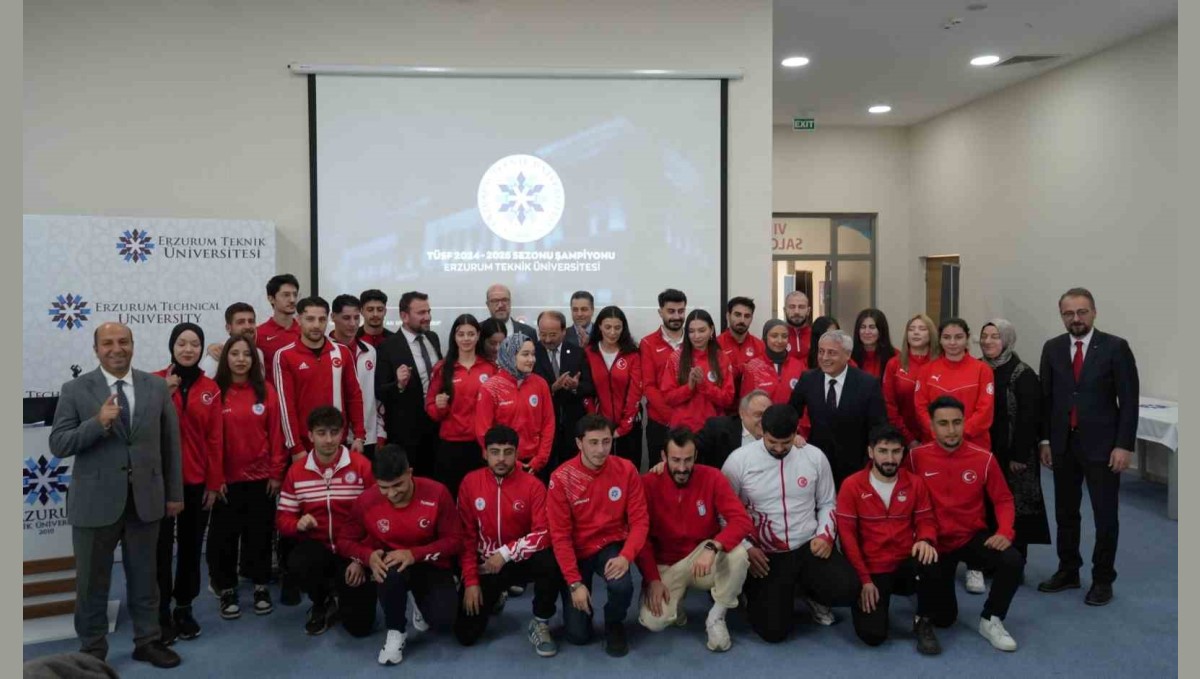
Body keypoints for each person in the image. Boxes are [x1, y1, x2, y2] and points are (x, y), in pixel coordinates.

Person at [49, 322, 183, 668]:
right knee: (92, 583)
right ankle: (92, 651)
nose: (116, 348)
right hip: (94, 504)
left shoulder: (155, 387)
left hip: (146, 500)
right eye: (107, 343)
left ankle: (148, 641)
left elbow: (170, 445)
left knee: (145, 578)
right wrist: (98, 422)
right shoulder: (75, 389)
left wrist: (174, 493)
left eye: (123, 341)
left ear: (133, 345)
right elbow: (59, 443)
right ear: (96, 350)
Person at [721, 404, 860, 642]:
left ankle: (809, 593)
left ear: (796, 432)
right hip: (764, 553)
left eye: (785, 442)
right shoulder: (738, 461)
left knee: (848, 588)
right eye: (772, 441)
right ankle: (752, 590)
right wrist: (746, 548)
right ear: (762, 432)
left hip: (807, 544)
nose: (778, 448)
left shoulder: (814, 456)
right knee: (773, 633)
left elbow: (828, 502)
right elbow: (724, 513)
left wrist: (825, 535)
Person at [1037, 288, 1139, 606]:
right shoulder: (1052, 348)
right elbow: (1047, 399)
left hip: (1103, 448)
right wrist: (1045, 440)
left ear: (1094, 312)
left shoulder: (1115, 347)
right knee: (1066, 513)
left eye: (1082, 312)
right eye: (1069, 313)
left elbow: (1130, 400)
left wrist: (1123, 445)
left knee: (1105, 516)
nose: (1076, 319)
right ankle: (1069, 570)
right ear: (1061, 316)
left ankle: (1102, 579)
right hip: (1064, 445)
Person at [908, 396, 1024, 652]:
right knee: (945, 619)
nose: (951, 430)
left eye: (957, 422)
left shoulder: (983, 458)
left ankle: (991, 619)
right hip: (935, 541)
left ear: (964, 423)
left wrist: (1005, 531)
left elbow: (1003, 499)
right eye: (944, 423)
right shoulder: (916, 458)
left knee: (1012, 560)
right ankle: (925, 613)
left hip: (970, 537)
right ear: (932, 426)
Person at [339, 444, 462, 666]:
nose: (392, 493)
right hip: (391, 564)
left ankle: (417, 599)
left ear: (410, 473)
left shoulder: (437, 493)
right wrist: (366, 556)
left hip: (428, 563)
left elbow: (454, 541)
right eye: (384, 488)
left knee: (444, 622)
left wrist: (414, 554)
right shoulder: (366, 501)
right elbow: (344, 541)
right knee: (388, 570)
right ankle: (396, 631)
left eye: (398, 485)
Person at [636, 428, 752, 652]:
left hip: (702, 557)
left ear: (696, 456)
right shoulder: (647, 484)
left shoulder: (713, 477)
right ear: (663, 457)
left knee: (738, 555)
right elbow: (641, 538)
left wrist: (713, 546)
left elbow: (741, 520)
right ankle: (676, 606)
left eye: (688, 460)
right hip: (666, 564)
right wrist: (652, 579)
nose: (682, 467)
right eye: (675, 460)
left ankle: (716, 617)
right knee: (653, 622)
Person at [455, 426, 563, 656]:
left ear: (517, 453)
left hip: (519, 560)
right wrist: (471, 581)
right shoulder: (470, 483)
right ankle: (495, 595)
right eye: (495, 452)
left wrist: (505, 554)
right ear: (485, 453)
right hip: (486, 564)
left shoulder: (533, 485)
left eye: (508, 452)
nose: (501, 459)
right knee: (466, 635)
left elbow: (544, 533)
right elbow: (466, 537)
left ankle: (540, 621)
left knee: (550, 560)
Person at [547, 415, 650, 657]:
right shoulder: (562, 478)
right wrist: (574, 583)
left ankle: (614, 622)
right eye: (593, 442)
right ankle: (578, 608)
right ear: (579, 443)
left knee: (623, 584)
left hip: (609, 546)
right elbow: (560, 537)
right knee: (578, 636)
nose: (601, 449)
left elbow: (640, 521)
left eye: (606, 441)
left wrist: (626, 556)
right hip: (576, 550)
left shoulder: (626, 470)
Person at [836, 425, 941, 654]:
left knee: (930, 558)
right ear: (871, 452)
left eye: (896, 452)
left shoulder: (915, 483)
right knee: (872, 636)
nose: (890, 458)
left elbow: (926, 520)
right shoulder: (851, 486)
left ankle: (923, 621)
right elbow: (847, 539)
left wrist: (925, 539)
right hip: (872, 569)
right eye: (883, 451)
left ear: (903, 453)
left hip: (904, 562)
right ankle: (872, 599)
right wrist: (864, 580)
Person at [276, 406, 378, 637]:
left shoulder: (361, 466)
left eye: (334, 432)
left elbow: (379, 518)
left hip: (352, 552)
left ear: (343, 433)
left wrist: (361, 559)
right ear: (310, 436)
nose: (329, 439)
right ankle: (321, 600)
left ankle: (344, 592)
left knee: (360, 628)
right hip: (318, 549)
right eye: (321, 433)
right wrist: (297, 524)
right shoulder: (296, 472)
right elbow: (283, 518)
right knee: (299, 560)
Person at [152, 323, 224, 644]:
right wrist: (161, 397)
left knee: (192, 547)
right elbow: (141, 429)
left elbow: (215, 439)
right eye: (182, 343)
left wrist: (213, 483)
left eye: (195, 344)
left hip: (196, 481)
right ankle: (160, 613)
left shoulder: (211, 388)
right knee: (160, 549)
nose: (188, 349)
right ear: (172, 346)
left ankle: (184, 607)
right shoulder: (153, 382)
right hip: (160, 483)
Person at [207, 335, 286, 620]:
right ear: (225, 358)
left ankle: (260, 585)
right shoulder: (215, 391)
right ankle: (227, 587)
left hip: (261, 480)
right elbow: (210, 441)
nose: (241, 359)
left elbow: (277, 435)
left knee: (260, 535)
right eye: (235, 353)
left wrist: (277, 473)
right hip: (226, 482)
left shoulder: (265, 391)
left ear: (254, 360)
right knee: (224, 538)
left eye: (247, 354)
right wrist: (215, 480)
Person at [980, 320, 1050, 576]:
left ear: (1007, 339)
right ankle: (988, 560)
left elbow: (1030, 417)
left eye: (995, 336)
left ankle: (1014, 565)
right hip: (985, 452)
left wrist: (1019, 455)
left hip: (1014, 456)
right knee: (987, 507)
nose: (988, 341)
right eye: (984, 336)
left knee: (1015, 508)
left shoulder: (1023, 373)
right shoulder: (977, 367)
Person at [788, 330, 888, 487]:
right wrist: (793, 435)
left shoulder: (867, 384)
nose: (825, 358)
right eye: (821, 351)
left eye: (832, 353)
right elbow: (791, 413)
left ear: (847, 355)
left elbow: (878, 426)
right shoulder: (808, 379)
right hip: (817, 463)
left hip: (856, 467)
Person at [273, 296, 366, 458]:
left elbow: (354, 396)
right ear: (298, 319)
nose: (316, 325)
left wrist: (359, 436)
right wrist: (295, 447)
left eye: (322, 319)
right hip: (303, 447)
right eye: (310, 319)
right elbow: (285, 407)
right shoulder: (284, 355)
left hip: (339, 443)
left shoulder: (342, 352)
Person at [425, 314, 496, 497]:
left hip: (481, 445)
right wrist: (440, 406)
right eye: (461, 334)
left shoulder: (491, 368)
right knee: (450, 497)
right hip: (451, 446)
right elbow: (431, 410)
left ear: (478, 336)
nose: (466, 339)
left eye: (471, 334)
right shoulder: (443, 369)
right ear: (454, 337)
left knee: (480, 497)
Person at [375, 291, 443, 478]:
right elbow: (379, 391)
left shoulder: (433, 338)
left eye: (428, 311)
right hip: (407, 435)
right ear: (404, 316)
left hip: (437, 428)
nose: (427, 317)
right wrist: (399, 384)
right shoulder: (388, 346)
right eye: (421, 313)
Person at [475, 333, 555, 475]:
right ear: (510, 355)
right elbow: (483, 432)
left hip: (536, 464)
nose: (531, 359)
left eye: (533, 354)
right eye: (525, 354)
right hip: (501, 463)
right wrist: (511, 462)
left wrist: (540, 459)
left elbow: (548, 423)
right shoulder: (490, 388)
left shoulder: (540, 383)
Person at [914, 318, 995, 449]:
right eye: (946, 337)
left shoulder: (983, 370)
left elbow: (985, 411)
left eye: (958, 337)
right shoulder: (926, 370)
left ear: (967, 338)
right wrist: (939, 433)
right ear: (940, 340)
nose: (952, 342)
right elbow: (920, 408)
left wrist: (958, 434)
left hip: (973, 445)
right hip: (934, 444)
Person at [534, 310, 596, 474]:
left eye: (553, 334)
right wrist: (552, 388)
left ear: (563, 331)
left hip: (571, 425)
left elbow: (590, 386)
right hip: (542, 428)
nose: (547, 339)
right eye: (543, 334)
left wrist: (575, 386)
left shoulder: (577, 352)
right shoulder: (532, 353)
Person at [584, 306, 644, 468]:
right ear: (599, 327)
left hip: (629, 427)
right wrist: (595, 423)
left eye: (617, 327)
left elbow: (635, 393)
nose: (612, 332)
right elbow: (586, 391)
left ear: (623, 329)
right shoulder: (589, 353)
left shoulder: (632, 354)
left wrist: (624, 427)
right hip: (598, 428)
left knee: (628, 471)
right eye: (608, 327)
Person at [660, 309, 735, 433]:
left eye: (701, 330)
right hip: (682, 430)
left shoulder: (721, 358)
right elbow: (668, 398)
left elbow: (728, 399)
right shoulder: (676, 358)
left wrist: (704, 385)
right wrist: (689, 387)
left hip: (713, 429)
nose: (696, 336)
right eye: (691, 331)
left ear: (711, 330)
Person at [330, 294, 383, 458]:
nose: (352, 324)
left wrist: (379, 431)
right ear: (333, 317)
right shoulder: (325, 352)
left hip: (366, 436)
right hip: (332, 436)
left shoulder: (369, 351)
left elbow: (376, 396)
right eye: (346, 318)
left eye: (356, 317)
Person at [639, 288, 687, 462]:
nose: (676, 316)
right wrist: (671, 417)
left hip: (690, 422)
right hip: (659, 423)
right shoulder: (648, 343)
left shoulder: (694, 340)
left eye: (681, 311)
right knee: (659, 476)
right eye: (671, 311)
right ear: (660, 312)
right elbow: (649, 386)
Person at [883, 314, 939, 450]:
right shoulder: (894, 364)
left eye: (922, 328)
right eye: (911, 329)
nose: (916, 332)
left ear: (931, 333)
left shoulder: (939, 363)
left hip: (936, 437)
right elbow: (889, 405)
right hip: (902, 438)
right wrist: (909, 440)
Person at [696, 390, 772, 470]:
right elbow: (693, 450)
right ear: (742, 413)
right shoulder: (717, 429)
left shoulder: (778, 432)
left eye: (768, 414)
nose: (764, 420)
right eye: (758, 415)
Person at [739, 319, 805, 403]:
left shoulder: (799, 366)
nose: (780, 340)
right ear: (765, 337)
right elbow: (746, 402)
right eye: (774, 336)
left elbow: (805, 401)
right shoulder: (752, 367)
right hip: (762, 416)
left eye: (784, 336)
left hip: (791, 416)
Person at [199, 302, 263, 379]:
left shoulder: (259, 353)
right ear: (228, 328)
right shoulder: (216, 355)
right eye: (241, 322)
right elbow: (207, 388)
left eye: (251, 321)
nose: (248, 326)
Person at [716, 296, 766, 395]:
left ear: (751, 318)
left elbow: (763, 378)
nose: (742, 320)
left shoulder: (760, 346)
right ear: (727, 315)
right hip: (723, 407)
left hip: (751, 406)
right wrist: (743, 368)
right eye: (737, 315)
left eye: (747, 316)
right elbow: (716, 377)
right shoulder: (716, 344)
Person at [257, 273, 301, 381]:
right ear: (271, 299)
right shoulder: (258, 334)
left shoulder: (305, 332)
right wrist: (213, 348)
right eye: (286, 295)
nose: (292, 300)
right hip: (272, 396)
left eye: (295, 295)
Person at [851, 308, 896, 380]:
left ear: (881, 330)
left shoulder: (895, 357)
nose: (867, 332)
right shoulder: (848, 357)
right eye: (863, 327)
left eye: (872, 327)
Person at [782, 290, 813, 363]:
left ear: (808, 311)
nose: (796, 312)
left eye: (801, 307)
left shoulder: (817, 336)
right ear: (785, 310)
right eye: (792, 307)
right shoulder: (775, 337)